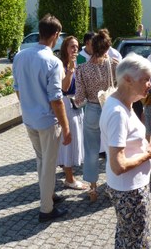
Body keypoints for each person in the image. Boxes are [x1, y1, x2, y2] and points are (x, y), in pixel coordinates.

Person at [100, 53, 151, 248]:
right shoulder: (118, 113)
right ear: (127, 79)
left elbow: (126, 145)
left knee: (128, 237)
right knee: (134, 241)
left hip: (130, 188)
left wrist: (145, 147)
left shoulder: (123, 104)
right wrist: (148, 155)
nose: (150, 84)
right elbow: (118, 165)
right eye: (145, 79)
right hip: (129, 190)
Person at [12, 14, 71, 222]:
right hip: (46, 121)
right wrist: (66, 128)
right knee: (48, 164)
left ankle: (49, 195)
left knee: (41, 161)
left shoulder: (20, 56)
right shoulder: (53, 61)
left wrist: (29, 106)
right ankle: (46, 209)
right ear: (55, 34)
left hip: (29, 119)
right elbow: (56, 99)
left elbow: (17, 89)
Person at [75, 28, 119, 202]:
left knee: (91, 151)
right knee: (111, 149)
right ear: (107, 48)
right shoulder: (114, 65)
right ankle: (112, 185)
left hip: (93, 109)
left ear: (91, 47)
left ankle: (92, 188)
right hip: (110, 108)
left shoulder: (82, 69)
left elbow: (79, 98)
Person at [56, 36, 87, 190]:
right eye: (72, 46)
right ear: (65, 48)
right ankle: (69, 178)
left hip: (76, 106)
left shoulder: (76, 64)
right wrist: (70, 71)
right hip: (67, 107)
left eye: (76, 46)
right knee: (69, 143)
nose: (75, 49)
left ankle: (67, 171)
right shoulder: (62, 66)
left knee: (72, 141)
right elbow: (65, 88)